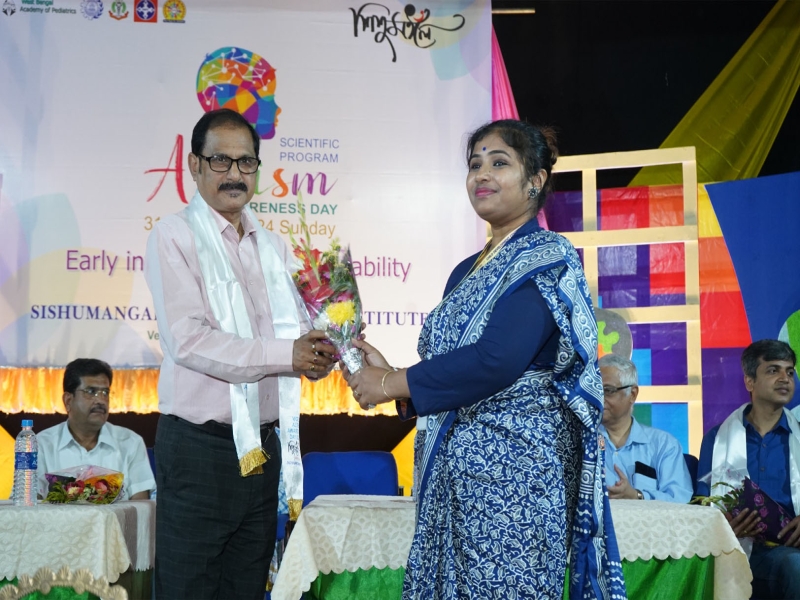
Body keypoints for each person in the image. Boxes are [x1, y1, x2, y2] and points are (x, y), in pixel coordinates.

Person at [344, 119, 626, 599]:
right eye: (475, 165)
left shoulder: (544, 256)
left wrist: (391, 383)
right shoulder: (464, 270)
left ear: (535, 180)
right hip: (453, 479)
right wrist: (385, 371)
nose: (482, 174)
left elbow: (496, 361)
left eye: (499, 163)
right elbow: (458, 368)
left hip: (513, 483)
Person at [144, 108, 336, 600]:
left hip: (263, 449)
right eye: (220, 161)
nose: (234, 174)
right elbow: (188, 340)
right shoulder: (174, 236)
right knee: (187, 590)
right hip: (200, 449)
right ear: (194, 165)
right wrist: (289, 354)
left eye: (246, 162)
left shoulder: (273, 246)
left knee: (247, 589)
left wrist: (324, 349)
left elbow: (298, 334)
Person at [697, 339, 800, 599]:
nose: (785, 379)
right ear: (749, 382)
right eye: (773, 370)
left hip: (791, 549)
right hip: (733, 547)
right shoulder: (717, 439)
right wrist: (724, 524)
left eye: (790, 372)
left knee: (794, 564)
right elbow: (700, 504)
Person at [36, 358, 155, 501]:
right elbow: (29, 504)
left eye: (105, 392)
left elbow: (141, 506)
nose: (100, 400)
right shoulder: (41, 444)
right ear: (68, 400)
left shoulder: (130, 442)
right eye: (91, 391)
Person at [598, 354, 693, 503]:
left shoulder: (664, 445)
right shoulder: (581, 444)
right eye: (595, 390)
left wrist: (637, 496)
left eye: (608, 390)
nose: (599, 397)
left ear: (632, 394)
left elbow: (680, 501)